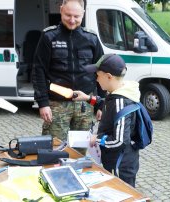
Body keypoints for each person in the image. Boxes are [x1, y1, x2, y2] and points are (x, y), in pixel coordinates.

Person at [32, 0, 104, 142]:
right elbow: (38, 71)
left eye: (76, 16)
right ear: (61, 10)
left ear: (83, 14)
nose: (72, 20)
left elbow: (101, 71)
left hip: (85, 105)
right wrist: (43, 103)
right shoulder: (49, 36)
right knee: (53, 148)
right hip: (56, 104)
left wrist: (102, 104)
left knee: (80, 149)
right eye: (68, 15)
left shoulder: (91, 38)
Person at [73, 53, 141, 187]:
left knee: (123, 193)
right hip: (114, 160)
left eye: (98, 75)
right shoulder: (119, 91)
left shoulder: (122, 101)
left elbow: (119, 141)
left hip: (120, 165)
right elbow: (109, 104)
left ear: (108, 77)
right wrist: (88, 98)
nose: (96, 79)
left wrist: (96, 139)